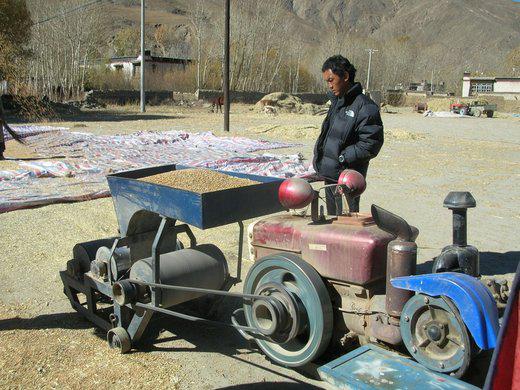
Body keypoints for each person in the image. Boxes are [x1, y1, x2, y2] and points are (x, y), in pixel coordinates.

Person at [313, 55, 383, 214]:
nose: (329, 85)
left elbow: (371, 143)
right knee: (331, 222)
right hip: (330, 175)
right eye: (327, 81)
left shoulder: (365, 107)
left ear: (345, 76)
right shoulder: (337, 103)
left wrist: (343, 157)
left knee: (346, 224)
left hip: (347, 178)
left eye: (331, 79)